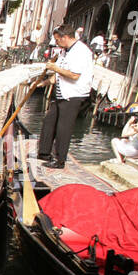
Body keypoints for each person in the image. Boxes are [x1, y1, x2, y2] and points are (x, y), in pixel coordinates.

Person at [37, 23, 93, 170]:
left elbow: (74, 75)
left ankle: (59, 160)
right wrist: (42, 84)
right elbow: (58, 76)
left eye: (57, 40)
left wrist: (55, 68)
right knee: (49, 121)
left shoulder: (81, 52)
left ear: (65, 37)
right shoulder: (65, 51)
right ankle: (44, 153)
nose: (56, 43)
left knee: (64, 127)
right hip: (61, 93)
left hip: (73, 95)